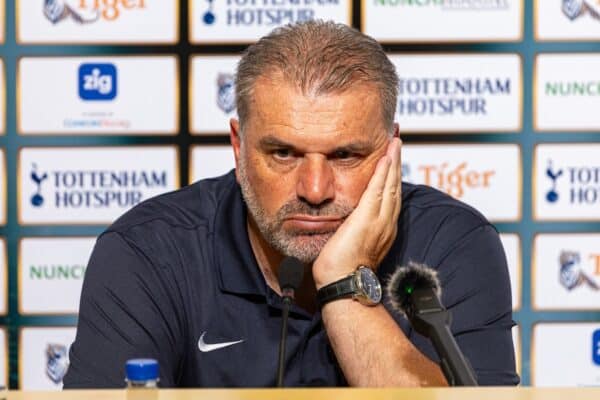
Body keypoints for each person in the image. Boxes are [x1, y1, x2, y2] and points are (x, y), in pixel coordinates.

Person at [63, 20, 519, 388]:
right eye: (283, 154)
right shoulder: (148, 253)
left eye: (345, 155)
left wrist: (344, 281)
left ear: (390, 152)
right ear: (238, 147)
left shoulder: (455, 246)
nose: (315, 190)